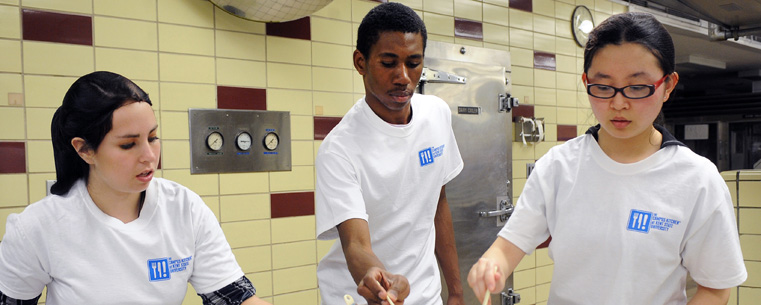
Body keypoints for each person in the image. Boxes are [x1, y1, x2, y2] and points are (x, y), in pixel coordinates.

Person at [467, 12, 747, 305]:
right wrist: (491, 265)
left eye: (637, 87)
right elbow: (509, 246)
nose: (618, 103)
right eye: (603, 87)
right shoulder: (558, 167)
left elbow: (715, 289)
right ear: (586, 81)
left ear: (668, 85)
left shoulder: (697, 179)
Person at [0, 71, 271, 305]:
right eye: (128, 144)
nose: (149, 156)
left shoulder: (183, 208)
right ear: (84, 150)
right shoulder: (37, 228)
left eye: (152, 138)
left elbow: (234, 297)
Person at [315, 3, 464, 305]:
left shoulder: (436, 114)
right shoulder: (339, 149)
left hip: (425, 293)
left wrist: (456, 292)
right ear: (361, 62)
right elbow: (356, 242)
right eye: (388, 62)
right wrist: (378, 279)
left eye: (413, 62)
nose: (403, 77)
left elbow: (438, 202)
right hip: (361, 295)